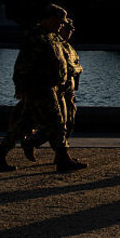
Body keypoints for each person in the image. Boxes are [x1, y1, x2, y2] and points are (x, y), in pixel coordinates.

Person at [0, 4, 86, 172]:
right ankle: (62, 159)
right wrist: (21, 87)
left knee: (22, 125)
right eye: (59, 21)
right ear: (49, 19)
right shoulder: (35, 38)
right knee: (57, 123)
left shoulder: (52, 37)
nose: (61, 25)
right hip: (40, 88)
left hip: (51, 87)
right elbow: (22, 65)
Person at [21, 18, 83, 161]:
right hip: (56, 91)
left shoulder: (68, 47)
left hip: (69, 91)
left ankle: (60, 154)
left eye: (72, 29)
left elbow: (75, 67)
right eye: (67, 28)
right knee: (57, 124)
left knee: (68, 123)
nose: (70, 32)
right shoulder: (54, 44)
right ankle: (34, 143)